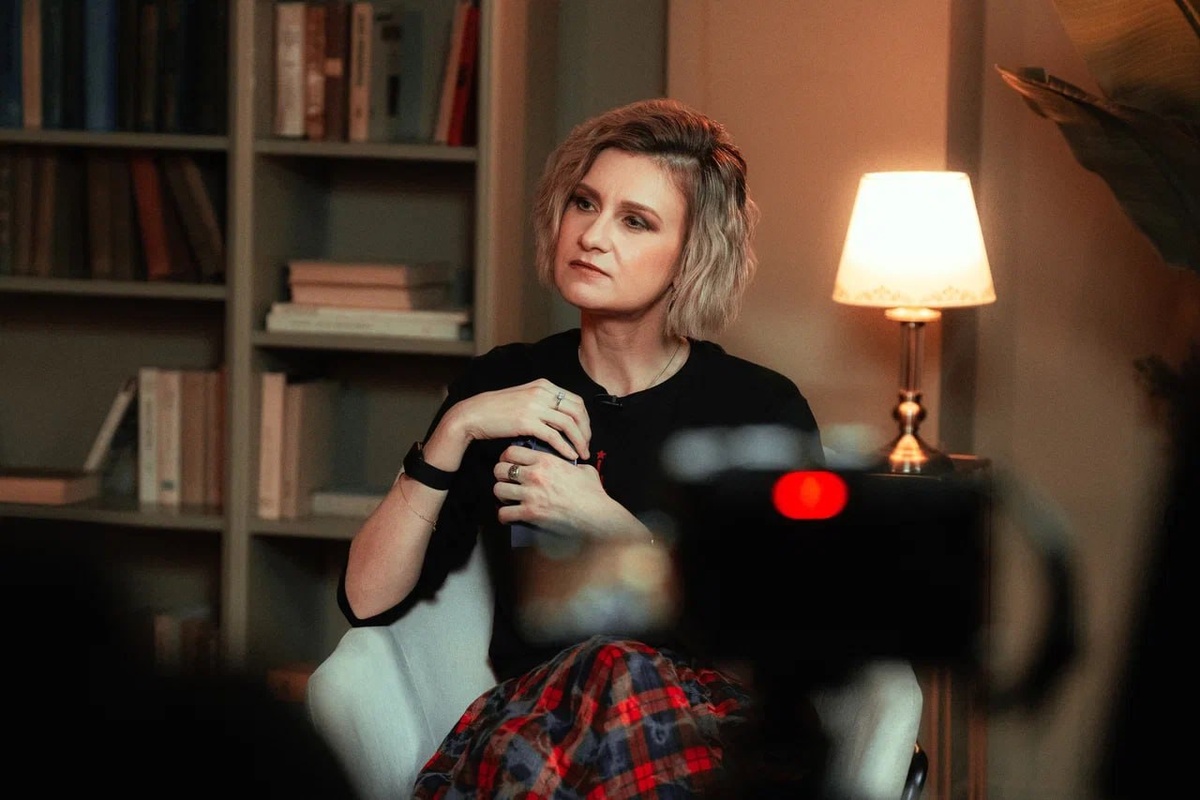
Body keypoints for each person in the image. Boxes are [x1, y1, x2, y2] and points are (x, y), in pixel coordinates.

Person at [338, 97, 826, 797]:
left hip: (708, 731)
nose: (593, 235)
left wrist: (611, 527)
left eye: (635, 220)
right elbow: (366, 600)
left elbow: (778, 650)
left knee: (618, 666)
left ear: (692, 255)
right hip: (540, 722)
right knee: (597, 674)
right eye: (585, 203)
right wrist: (456, 427)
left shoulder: (757, 410)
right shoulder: (502, 384)